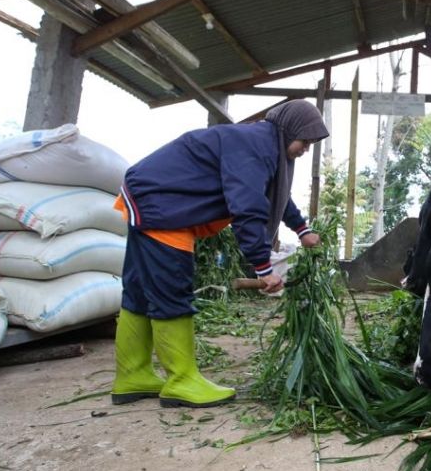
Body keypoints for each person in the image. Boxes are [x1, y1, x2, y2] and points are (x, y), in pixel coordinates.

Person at [109, 100, 329, 408]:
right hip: (163, 205)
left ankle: (133, 375)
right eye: (304, 140)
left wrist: (302, 229)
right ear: (289, 129)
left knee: (140, 292)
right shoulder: (255, 146)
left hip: (150, 198)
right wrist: (263, 268)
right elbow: (249, 206)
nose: (306, 148)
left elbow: (276, 195)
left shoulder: (264, 145)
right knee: (172, 289)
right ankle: (182, 380)